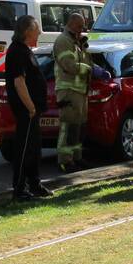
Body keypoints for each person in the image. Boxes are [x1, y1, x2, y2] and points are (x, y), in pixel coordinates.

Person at [4, 15, 51, 200]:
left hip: (33, 111)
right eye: (36, 30)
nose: (39, 32)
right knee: (24, 149)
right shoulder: (17, 52)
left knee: (34, 148)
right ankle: (20, 188)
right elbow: (19, 82)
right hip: (26, 111)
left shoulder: (25, 50)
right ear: (26, 31)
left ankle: (34, 184)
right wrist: (30, 107)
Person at [53, 13, 107, 171]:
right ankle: (64, 161)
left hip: (80, 91)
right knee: (68, 126)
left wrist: (94, 66)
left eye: (83, 26)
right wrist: (90, 70)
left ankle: (77, 158)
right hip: (68, 90)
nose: (82, 29)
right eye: (79, 26)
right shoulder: (63, 41)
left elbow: (85, 60)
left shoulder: (77, 41)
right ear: (70, 23)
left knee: (79, 127)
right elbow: (69, 65)